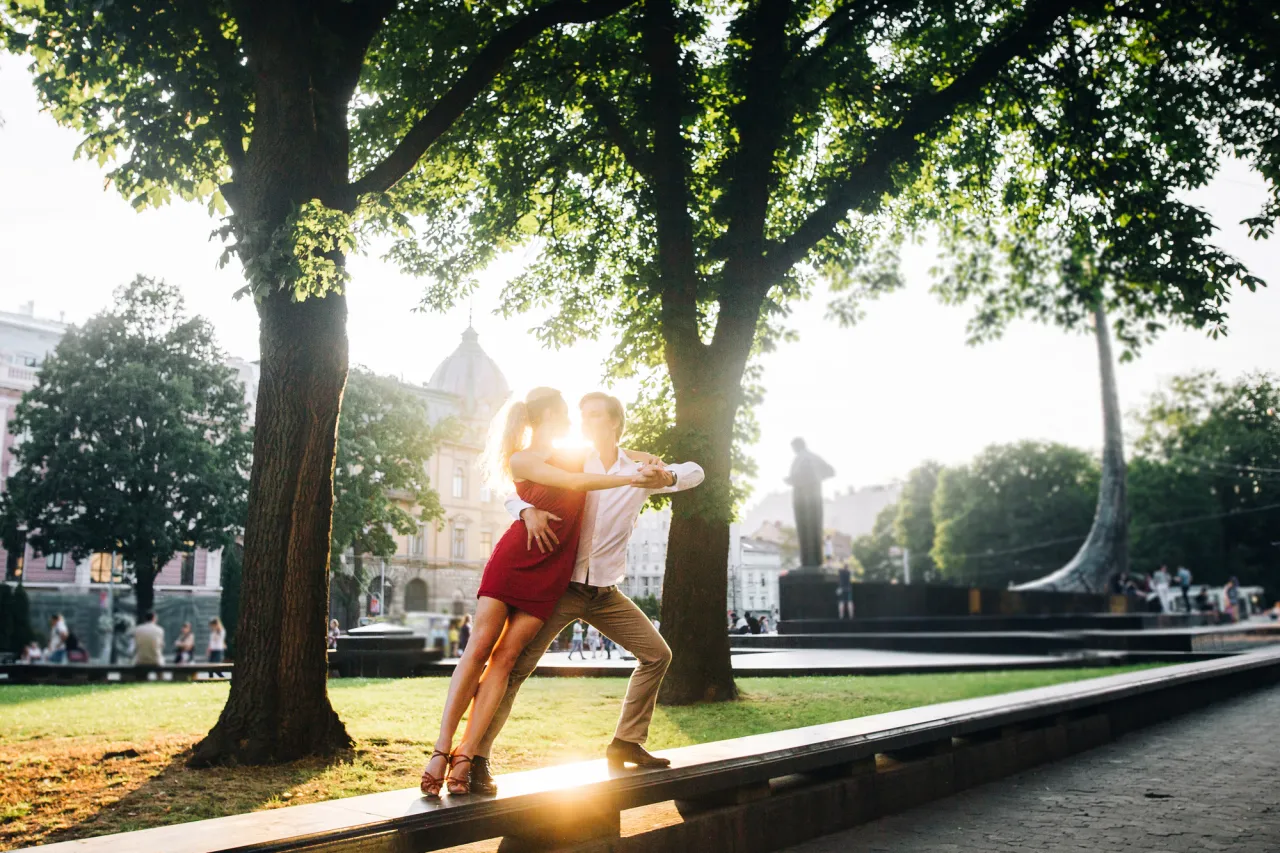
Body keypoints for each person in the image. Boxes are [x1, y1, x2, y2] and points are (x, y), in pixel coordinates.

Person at [419, 387, 654, 798]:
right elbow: (573, 481)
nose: (574, 420)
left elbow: (608, 450)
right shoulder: (523, 457)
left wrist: (642, 459)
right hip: (514, 560)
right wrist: (631, 477)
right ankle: (441, 750)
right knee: (479, 651)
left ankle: (467, 755)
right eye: (567, 411)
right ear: (549, 416)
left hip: (552, 572)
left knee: (507, 659)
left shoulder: (575, 452)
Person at [466, 391, 705, 795]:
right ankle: (476, 758)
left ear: (614, 420)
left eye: (596, 415)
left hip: (606, 592)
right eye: (583, 416)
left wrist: (668, 476)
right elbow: (515, 487)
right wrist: (524, 511)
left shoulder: (641, 466)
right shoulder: (569, 461)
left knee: (657, 655)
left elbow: (695, 470)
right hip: (560, 587)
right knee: (514, 668)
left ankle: (627, 742)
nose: (587, 421)